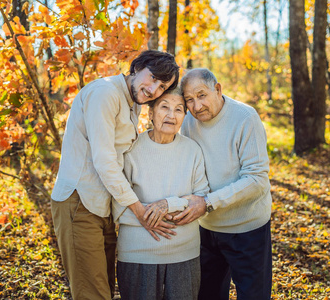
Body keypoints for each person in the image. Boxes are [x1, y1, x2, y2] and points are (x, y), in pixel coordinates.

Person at [50, 50, 179, 300]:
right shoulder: (106, 93)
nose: (154, 89)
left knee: (105, 288)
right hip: (79, 203)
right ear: (137, 67)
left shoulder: (132, 104)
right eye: (152, 78)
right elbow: (105, 162)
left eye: (162, 86)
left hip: (102, 206)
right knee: (92, 293)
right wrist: (140, 212)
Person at [175, 68, 273, 299]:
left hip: (247, 229)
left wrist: (208, 202)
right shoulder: (188, 122)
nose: (196, 106)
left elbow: (257, 179)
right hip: (206, 229)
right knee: (207, 295)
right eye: (189, 99)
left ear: (217, 89)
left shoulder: (245, 118)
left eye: (201, 95)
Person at [113, 87, 209, 300]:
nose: (171, 115)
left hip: (185, 253)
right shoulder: (130, 149)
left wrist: (170, 204)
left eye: (178, 110)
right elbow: (117, 202)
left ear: (184, 115)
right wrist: (149, 218)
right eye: (164, 107)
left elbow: (201, 198)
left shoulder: (192, 150)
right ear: (151, 112)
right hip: (137, 253)